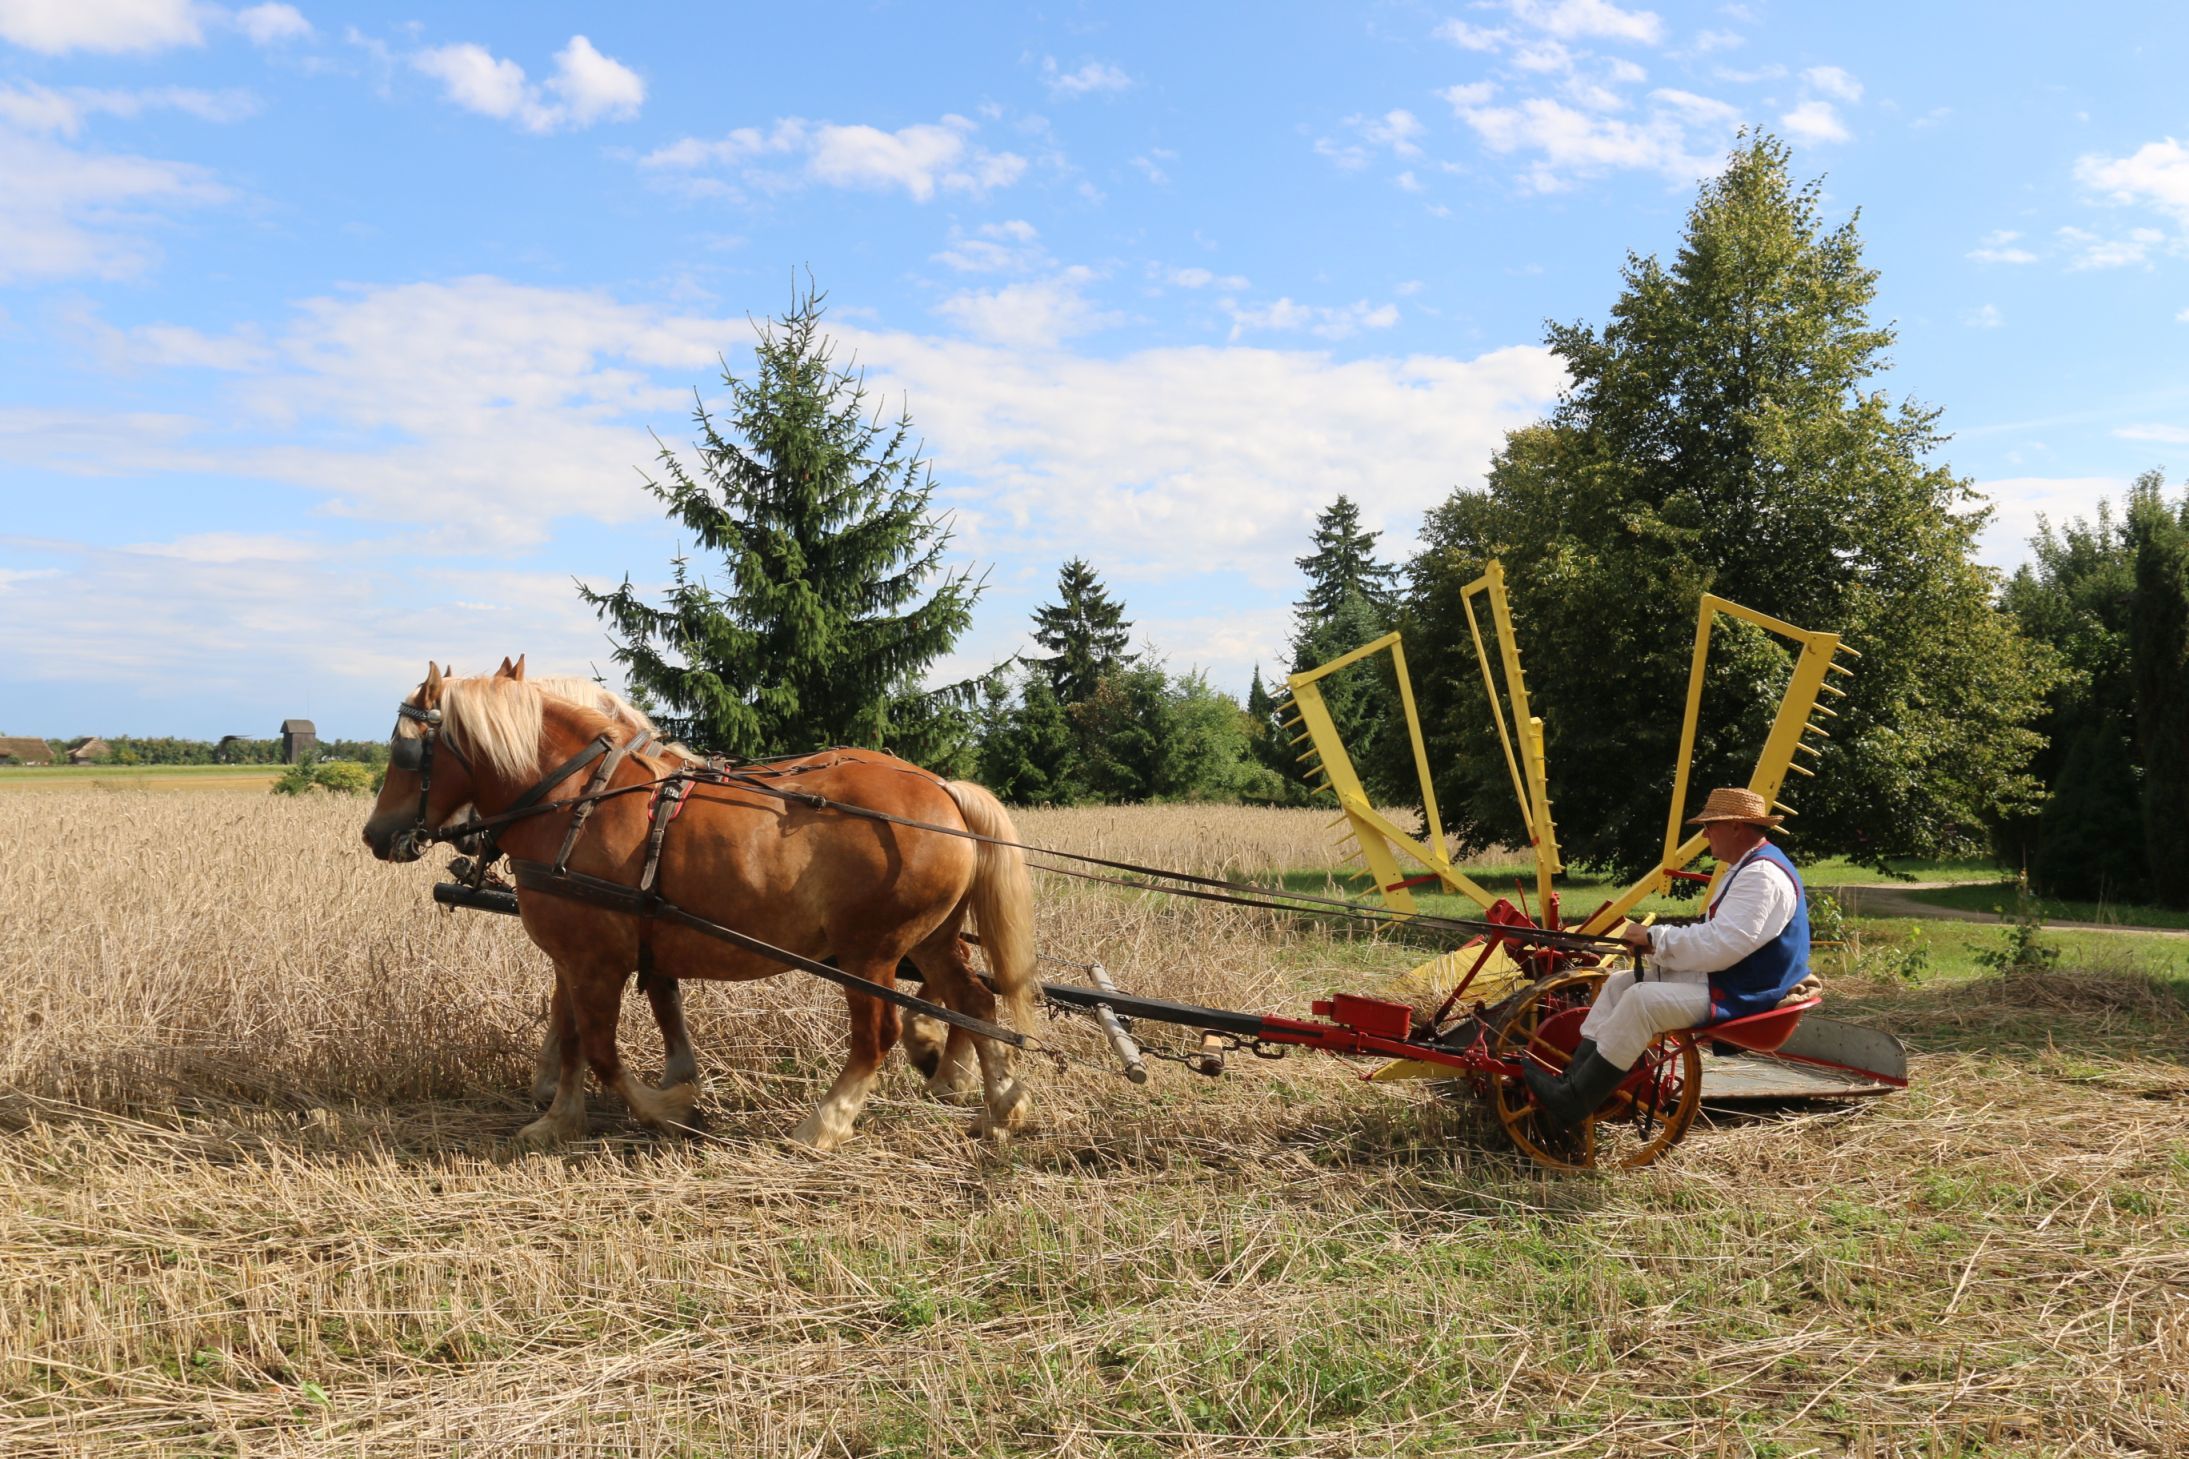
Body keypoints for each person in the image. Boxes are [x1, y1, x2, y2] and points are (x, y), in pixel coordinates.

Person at [1522, 786, 1811, 1130]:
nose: (1704, 835)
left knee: (1642, 1001)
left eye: (1710, 825)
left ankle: (1573, 1102)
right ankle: (1574, 1079)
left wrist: (1654, 938)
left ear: (1736, 826)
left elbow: (1721, 947)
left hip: (1745, 994)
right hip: (1732, 982)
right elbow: (1717, 938)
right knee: (1618, 985)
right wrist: (1655, 943)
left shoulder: (1761, 877)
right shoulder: (1748, 867)